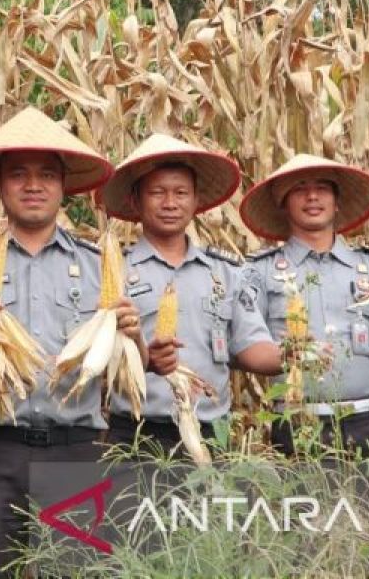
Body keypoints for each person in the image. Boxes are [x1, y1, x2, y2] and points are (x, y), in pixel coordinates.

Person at [0, 107, 143, 579]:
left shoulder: (101, 264)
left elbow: (129, 372)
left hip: (76, 449)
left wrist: (136, 337)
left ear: (64, 187)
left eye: (46, 175)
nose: (33, 185)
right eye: (18, 174)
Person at [98, 134, 282, 453]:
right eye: (157, 193)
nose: (170, 203)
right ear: (135, 201)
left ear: (196, 201)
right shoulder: (113, 272)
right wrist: (144, 358)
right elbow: (95, 355)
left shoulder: (225, 274)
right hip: (137, 434)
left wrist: (300, 354)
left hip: (210, 433)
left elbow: (252, 348)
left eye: (181, 193)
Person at [241, 154, 369, 461]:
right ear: (282, 201)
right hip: (299, 426)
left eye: (322, 188)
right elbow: (245, 347)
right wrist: (288, 355)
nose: (312, 196)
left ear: (337, 201)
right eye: (299, 188)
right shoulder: (258, 273)